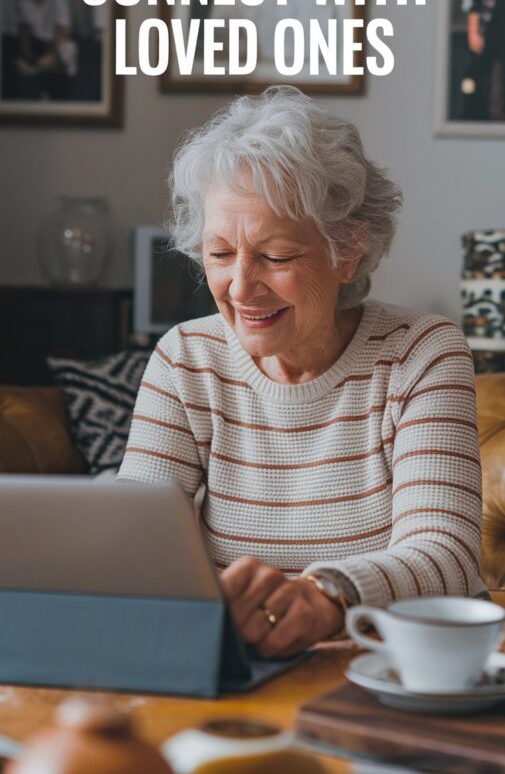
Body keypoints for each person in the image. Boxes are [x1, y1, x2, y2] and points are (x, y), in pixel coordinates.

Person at [118, 86, 486, 658]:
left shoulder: (422, 353)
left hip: (385, 671)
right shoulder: (185, 359)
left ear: (349, 249)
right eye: (219, 254)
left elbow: (447, 558)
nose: (240, 287)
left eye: (277, 255)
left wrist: (326, 597)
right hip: (237, 667)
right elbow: (132, 544)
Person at [14, 0, 77, 99]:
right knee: (18, 63)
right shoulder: (24, 4)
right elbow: (24, 35)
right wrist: (30, 57)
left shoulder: (59, 3)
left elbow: (62, 33)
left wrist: (50, 56)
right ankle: (37, 71)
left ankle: (41, 70)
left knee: (68, 48)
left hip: (54, 48)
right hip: (36, 48)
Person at [462, 0, 505, 120]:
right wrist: (473, 33)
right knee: (478, 77)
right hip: (489, 32)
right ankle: (475, 116)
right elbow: (476, 4)